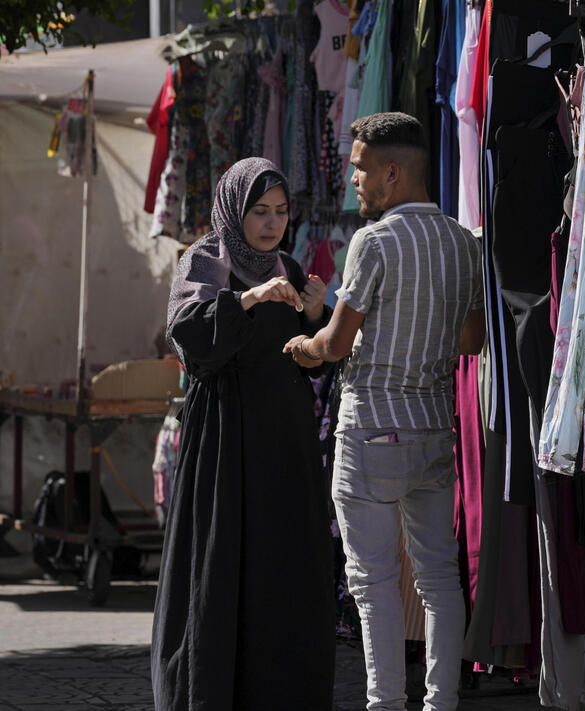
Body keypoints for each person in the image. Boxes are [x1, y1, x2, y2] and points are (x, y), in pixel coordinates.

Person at [284, 112, 485, 711]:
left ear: (392, 172)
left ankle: (386, 705)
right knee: (438, 576)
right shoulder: (463, 241)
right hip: (433, 428)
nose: (353, 179)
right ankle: (441, 702)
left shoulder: (373, 242)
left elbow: (336, 344)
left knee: (372, 582)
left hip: (372, 425)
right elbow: (471, 340)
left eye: (361, 167)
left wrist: (303, 346)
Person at [153, 157, 336, 710]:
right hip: (225, 440)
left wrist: (315, 316)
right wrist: (249, 298)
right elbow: (189, 341)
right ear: (235, 211)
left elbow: (312, 359)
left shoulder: (291, 268)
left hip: (284, 441)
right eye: (259, 211)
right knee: (223, 557)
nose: (272, 223)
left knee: (281, 562)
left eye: (280, 211)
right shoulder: (205, 261)